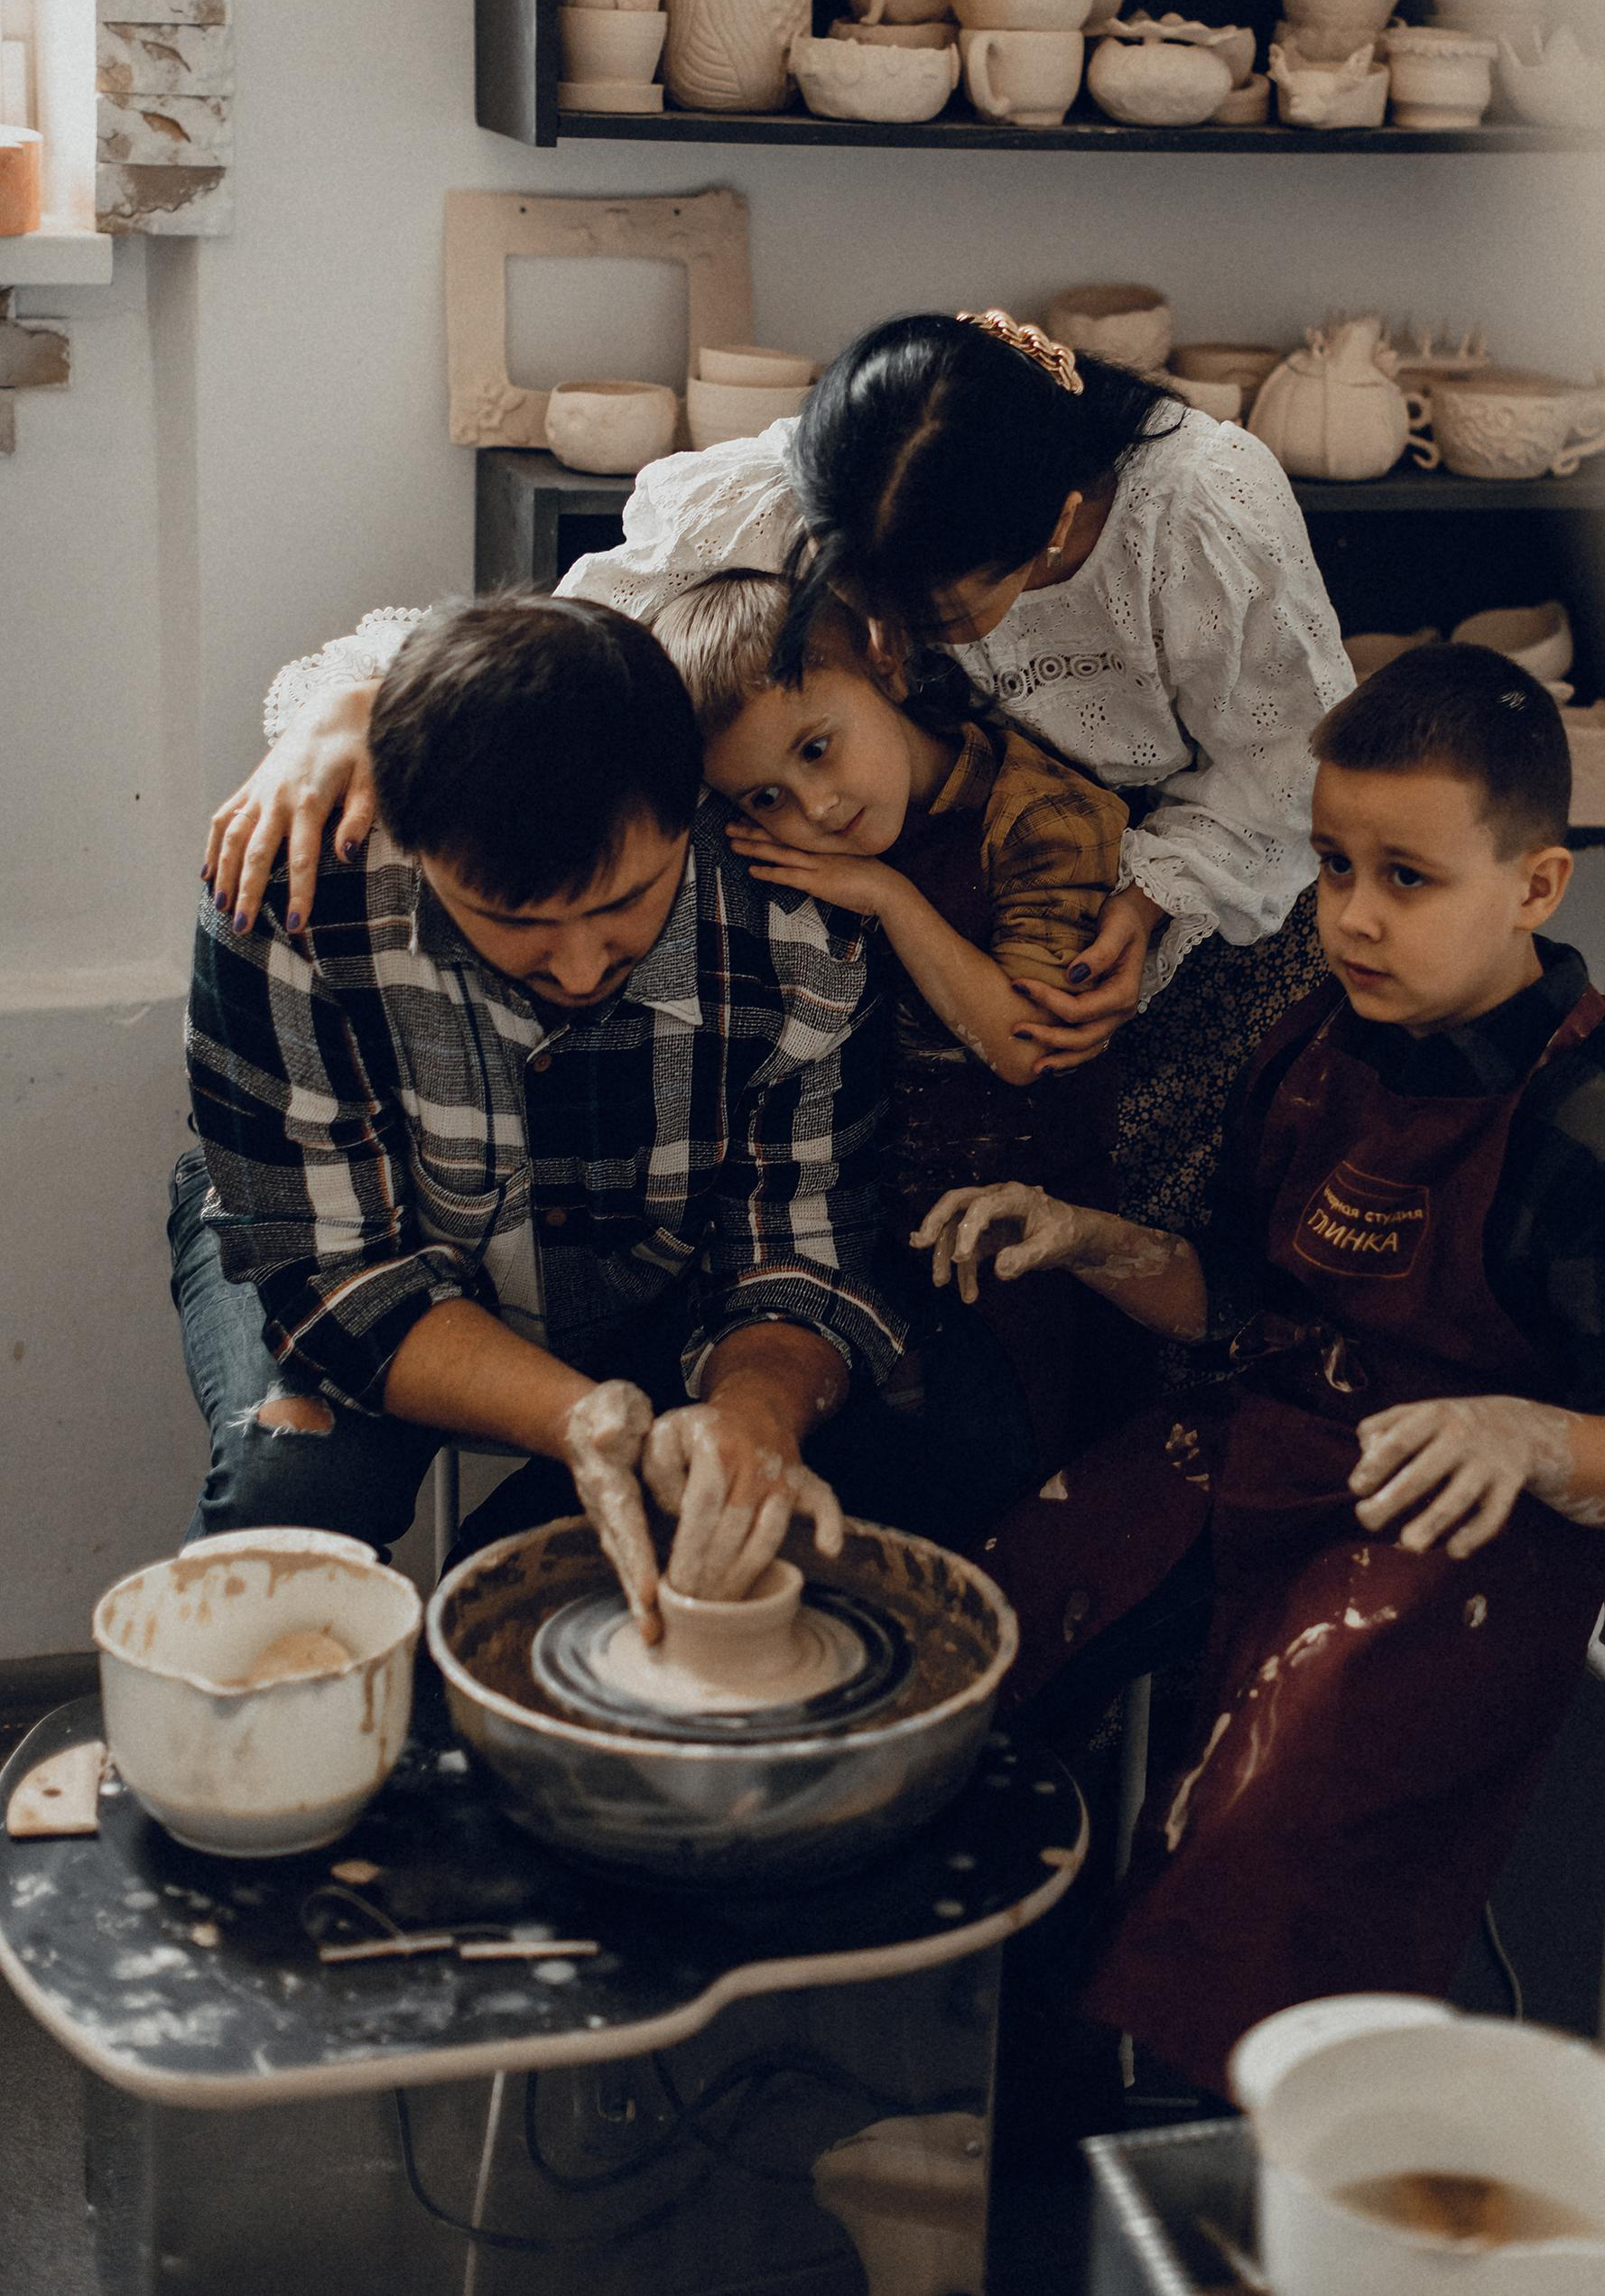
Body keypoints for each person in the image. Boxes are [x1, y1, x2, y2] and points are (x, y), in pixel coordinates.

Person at [914, 642, 1605, 2090]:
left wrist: (1535, 1436)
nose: (1352, 918)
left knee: (1271, 1800)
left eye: (1407, 879)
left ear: (1538, 887)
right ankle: (1004, 2082)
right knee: (980, 1646)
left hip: (1473, 1517)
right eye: (1332, 865)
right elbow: (1234, 1304)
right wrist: (1084, 1239)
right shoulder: (1314, 1043)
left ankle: (1207, 2141)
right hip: (1275, 1432)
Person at [202, 310, 1354, 1247]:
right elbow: (570, 648)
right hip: (911, 904)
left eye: (942, 617)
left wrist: (1157, 894)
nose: (898, 649)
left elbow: (1291, 763)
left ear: (1056, 525)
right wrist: (350, 705)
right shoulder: (785, 491)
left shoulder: (1196, 508)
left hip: (1163, 909)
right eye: (866, 609)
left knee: (1136, 1262)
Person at [172, 591, 1031, 1620]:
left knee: (917, 1442)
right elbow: (339, 1278)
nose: (580, 965)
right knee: (293, 1489)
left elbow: (794, 1247)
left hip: (647, 1272)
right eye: (514, 922)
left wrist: (750, 1419)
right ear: (416, 840)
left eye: (625, 902)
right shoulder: (292, 890)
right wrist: (579, 1416)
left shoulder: (802, 926)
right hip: (348, 1244)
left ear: (692, 807)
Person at [652, 565, 1133, 1462]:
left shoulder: (1041, 813)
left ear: (887, 672)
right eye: (764, 798)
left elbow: (1028, 1047)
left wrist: (887, 895)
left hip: (1020, 1209)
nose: (816, 808)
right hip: (866, 1205)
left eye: (816, 748)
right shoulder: (803, 837)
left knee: (1000, 1473)